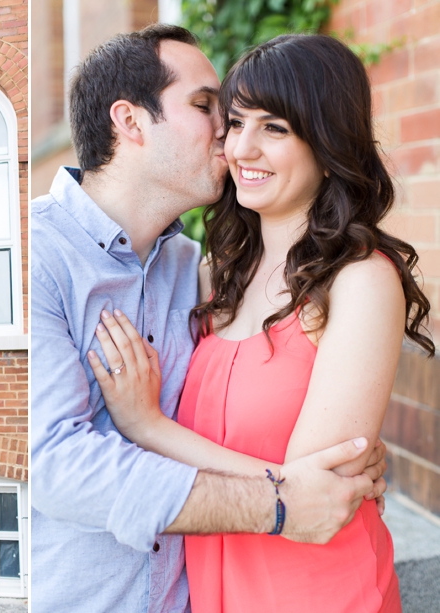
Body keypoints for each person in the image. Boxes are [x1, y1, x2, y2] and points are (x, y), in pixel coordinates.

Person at [31, 24, 389, 613]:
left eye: (268, 125)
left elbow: (320, 480)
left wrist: (148, 426)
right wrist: (282, 496)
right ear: (130, 122)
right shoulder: (48, 256)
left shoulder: (187, 268)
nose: (231, 137)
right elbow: (54, 463)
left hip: (303, 589)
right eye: (210, 109)